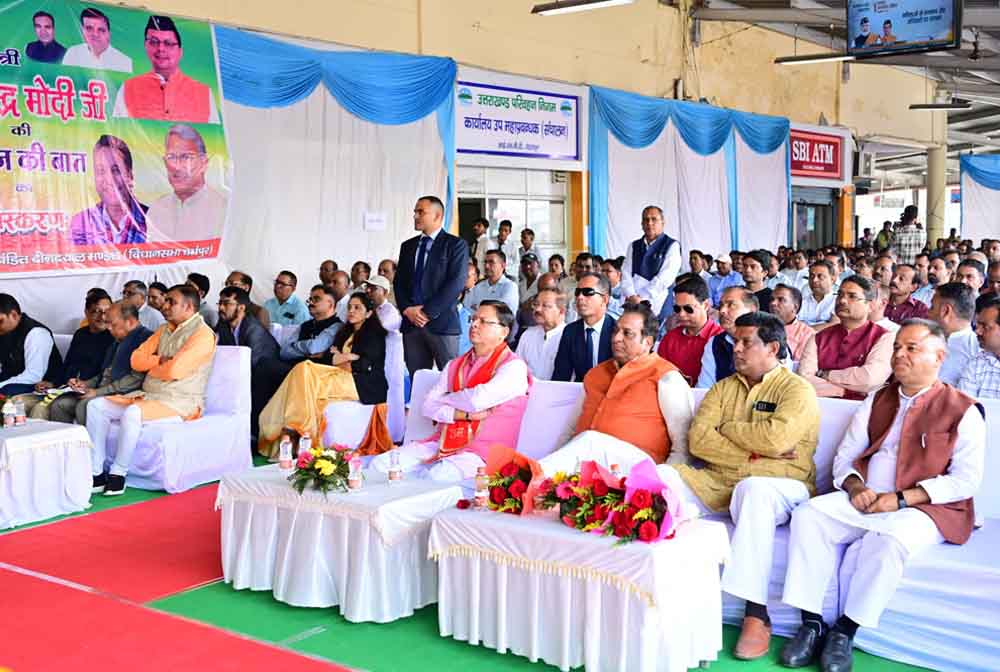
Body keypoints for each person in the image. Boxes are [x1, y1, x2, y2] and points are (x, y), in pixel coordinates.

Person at [780, 320, 984, 672]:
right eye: (897, 347)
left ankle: (845, 631)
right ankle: (811, 623)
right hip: (867, 499)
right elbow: (846, 455)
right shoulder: (878, 398)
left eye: (911, 348)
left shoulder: (963, 409)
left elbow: (966, 480)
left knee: (888, 539)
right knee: (809, 515)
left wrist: (902, 499)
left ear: (939, 356)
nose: (899, 355)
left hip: (925, 509)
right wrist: (855, 486)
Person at [674, 312, 821, 660]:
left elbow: (777, 438)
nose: (736, 349)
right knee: (663, 479)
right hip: (719, 481)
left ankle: (756, 613)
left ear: (773, 348)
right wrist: (754, 451)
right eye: (734, 342)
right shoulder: (723, 388)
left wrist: (727, 429)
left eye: (745, 342)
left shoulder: (796, 389)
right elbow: (698, 440)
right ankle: (648, 591)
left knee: (754, 490)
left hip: (783, 484)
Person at [372, 301, 531, 481]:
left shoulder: (513, 367)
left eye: (483, 321)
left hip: (483, 451)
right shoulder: (454, 365)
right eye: (473, 319)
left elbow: (476, 400)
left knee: (437, 477)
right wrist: (464, 415)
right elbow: (428, 407)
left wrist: (444, 398)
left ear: (504, 332)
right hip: (442, 442)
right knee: (382, 463)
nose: (474, 324)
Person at [87, 285, 216, 496]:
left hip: (180, 402)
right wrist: (160, 360)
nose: (165, 306)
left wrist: (154, 368)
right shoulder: (164, 329)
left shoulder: (203, 334)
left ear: (189, 307)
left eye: (171, 302)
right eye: (166, 300)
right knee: (96, 406)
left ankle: (118, 474)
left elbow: (176, 370)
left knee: (133, 412)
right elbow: (136, 360)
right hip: (149, 396)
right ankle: (97, 473)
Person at [540, 304, 694, 473]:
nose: (616, 338)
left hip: (636, 472)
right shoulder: (595, 374)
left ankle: (533, 474)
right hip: (587, 468)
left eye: (627, 333)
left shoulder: (667, 377)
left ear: (647, 342)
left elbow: (683, 449)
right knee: (584, 443)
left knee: (591, 440)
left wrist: (659, 482)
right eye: (615, 331)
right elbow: (570, 431)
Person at [259, 292, 390, 457]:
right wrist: (348, 357)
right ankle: (296, 430)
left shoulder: (374, 334)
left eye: (357, 308)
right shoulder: (345, 331)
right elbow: (327, 357)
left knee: (306, 374)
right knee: (302, 368)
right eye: (350, 307)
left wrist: (341, 357)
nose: (351, 311)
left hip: (362, 383)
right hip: (339, 374)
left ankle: (296, 433)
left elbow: (364, 365)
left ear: (369, 313)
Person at [395, 196, 470, 376]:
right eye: (415, 212)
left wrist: (426, 313)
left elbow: (456, 282)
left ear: (437, 216)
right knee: (418, 380)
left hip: (442, 323)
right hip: (412, 324)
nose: (415, 216)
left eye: (421, 212)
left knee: (450, 379)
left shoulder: (455, 245)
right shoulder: (408, 246)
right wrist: (407, 310)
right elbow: (399, 282)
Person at [45, 302, 151, 425]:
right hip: (102, 391)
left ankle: (88, 438)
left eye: (112, 324)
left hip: (124, 395)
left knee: (85, 405)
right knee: (59, 405)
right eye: (107, 323)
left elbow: (135, 380)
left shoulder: (145, 339)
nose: (108, 328)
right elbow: (104, 373)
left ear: (130, 322)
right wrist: (85, 384)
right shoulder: (119, 339)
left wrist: (98, 392)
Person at [12, 293, 114, 420]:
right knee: (16, 401)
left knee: (40, 409)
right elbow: (67, 365)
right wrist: (52, 383)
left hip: (86, 391)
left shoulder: (113, 338)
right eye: (96, 312)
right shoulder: (80, 334)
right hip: (63, 388)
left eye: (106, 312)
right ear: (87, 312)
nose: (102, 317)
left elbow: (106, 374)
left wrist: (84, 385)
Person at [799, 275, 894, 399]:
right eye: (839, 294)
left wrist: (825, 374)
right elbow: (804, 380)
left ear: (870, 306)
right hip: (819, 405)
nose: (842, 300)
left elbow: (870, 379)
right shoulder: (818, 338)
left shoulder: (884, 337)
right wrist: (845, 391)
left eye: (852, 296)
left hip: (862, 407)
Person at [113, 16, 218, 123]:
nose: (161, 49)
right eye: (154, 42)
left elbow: (215, 132)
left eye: (168, 43)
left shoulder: (203, 94)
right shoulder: (128, 89)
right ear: (145, 46)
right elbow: (118, 129)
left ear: (180, 51)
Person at [215, 286, 279, 438]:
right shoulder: (223, 324)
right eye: (220, 303)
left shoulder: (253, 329)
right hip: (239, 372)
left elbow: (252, 364)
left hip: (264, 374)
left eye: (226, 303)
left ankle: (253, 434)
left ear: (241, 308)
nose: (221, 308)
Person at [147, 125, 227, 242]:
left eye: (186, 157)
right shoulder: (156, 209)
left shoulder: (222, 210)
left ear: (204, 162)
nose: (177, 167)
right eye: (171, 157)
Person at [70, 135, 148, 245]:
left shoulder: (151, 219)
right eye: (101, 171)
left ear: (130, 175)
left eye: (116, 170)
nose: (110, 180)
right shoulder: (81, 223)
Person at [657, 276, 723, 385]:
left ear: (705, 305)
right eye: (677, 309)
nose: (681, 314)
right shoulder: (669, 339)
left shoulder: (720, 338)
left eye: (688, 309)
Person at [617, 205, 681, 315]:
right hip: (632, 300)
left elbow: (666, 277)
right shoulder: (634, 245)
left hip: (657, 301)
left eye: (654, 219)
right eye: (646, 220)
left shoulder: (672, 245)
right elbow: (626, 272)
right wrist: (631, 294)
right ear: (642, 224)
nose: (649, 223)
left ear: (662, 222)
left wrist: (642, 296)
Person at [552, 273, 616, 382]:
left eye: (588, 292)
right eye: (577, 292)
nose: (580, 297)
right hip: (580, 391)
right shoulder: (570, 331)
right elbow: (561, 376)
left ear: (604, 299)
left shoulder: (617, 330)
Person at [0, 294, 62, 395]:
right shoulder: (4, 331)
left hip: (39, 384)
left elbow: (33, 376)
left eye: (0, 321)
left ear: (14, 315)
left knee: (5, 391)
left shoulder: (37, 333)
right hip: (12, 378)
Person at [697, 287, 758, 388]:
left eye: (731, 305)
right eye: (721, 305)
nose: (722, 311)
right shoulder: (714, 343)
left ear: (752, 310)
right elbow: (704, 388)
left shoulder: (768, 340)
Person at [928, 282, 979, 387]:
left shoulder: (977, 351)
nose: (928, 312)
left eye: (932, 307)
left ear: (945, 311)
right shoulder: (926, 339)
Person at [516, 287, 567, 380]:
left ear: (561, 311)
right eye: (536, 304)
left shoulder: (570, 337)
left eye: (545, 305)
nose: (538, 309)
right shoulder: (528, 335)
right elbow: (517, 369)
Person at [61, 7, 132, 72]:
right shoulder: (73, 53)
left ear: (109, 34)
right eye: (89, 28)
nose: (95, 34)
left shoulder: (124, 62)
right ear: (82, 30)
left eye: (101, 30)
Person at [959, 295, 1000, 399]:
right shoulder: (977, 364)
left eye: (985, 326)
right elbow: (965, 405)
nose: (977, 331)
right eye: (978, 325)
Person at [464, 250, 519, 314]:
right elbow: (466, 309)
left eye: (491, 262)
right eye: (485, 262)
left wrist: (477, 307)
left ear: (503, 265)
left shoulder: (510, 286)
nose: (486, 266)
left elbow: (501, 312)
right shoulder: (478, 287)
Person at [770, 283, 813, 362]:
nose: (773, 303)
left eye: (781, 300)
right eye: (772, 299)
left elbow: (798, 365)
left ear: (795, 307)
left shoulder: (807, 334)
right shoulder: (759, 326)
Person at [797, 260, 837, 328]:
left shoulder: (837, 301)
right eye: (812, 276)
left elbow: (835, 325)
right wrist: (825, 324)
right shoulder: (801, 302)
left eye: (820, 276)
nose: (814, 280)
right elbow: (793, 326)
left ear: (832, 279)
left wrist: (803, 328)